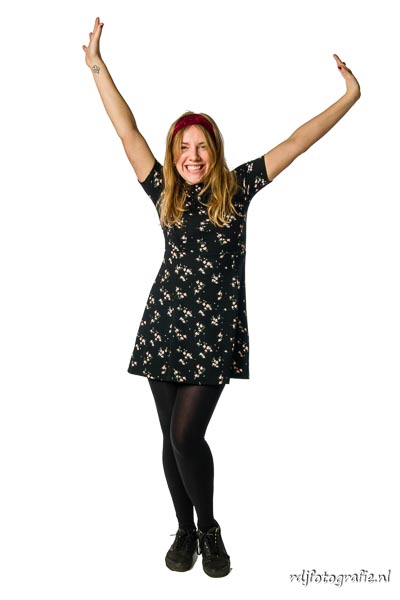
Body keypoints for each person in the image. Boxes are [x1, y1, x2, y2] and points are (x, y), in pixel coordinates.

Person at [82, 17, 361, 578]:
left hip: (213, 333)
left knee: (187, 434)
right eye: (183, 147)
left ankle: (208, 527)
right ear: (173, 153)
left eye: (201, 146)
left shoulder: (238, 187)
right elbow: (127, 132)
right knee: (170, 438)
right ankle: (183, 529)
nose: (192, 155)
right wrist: (97, 68)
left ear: (215, 151)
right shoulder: (163, 189)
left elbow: (296, 141)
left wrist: (349, 97)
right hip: (164, 325)